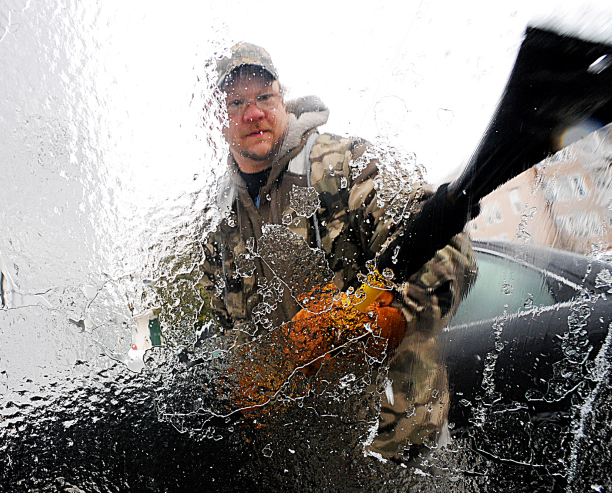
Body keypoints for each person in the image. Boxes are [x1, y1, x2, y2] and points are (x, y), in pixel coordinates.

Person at [198, 43, 476, 461]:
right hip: (296, 461)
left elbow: (453, 251)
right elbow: (217, 332)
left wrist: (386, 320)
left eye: (263, 97)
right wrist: (243, 382)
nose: (252, 113)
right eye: (236, 102)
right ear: (219, 120)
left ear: (282, 98)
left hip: (395, 448)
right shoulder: (218, 223)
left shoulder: (345, 164)